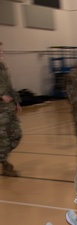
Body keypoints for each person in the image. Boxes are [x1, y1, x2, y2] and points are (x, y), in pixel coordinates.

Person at [0, 42, 22, 177]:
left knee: (16, 134)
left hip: (9, 108)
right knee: (3, 138)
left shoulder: (3, 67)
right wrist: (1, 97)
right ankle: (4, 163)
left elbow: (10, 86)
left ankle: (2, 157)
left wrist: (17, 101)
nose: (1, 53)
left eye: (1, 50)